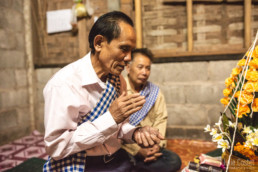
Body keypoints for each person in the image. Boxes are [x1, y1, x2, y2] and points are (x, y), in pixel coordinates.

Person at [42, 11, 164, 172]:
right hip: (83, 165)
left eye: (131, 51)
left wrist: (136, 133)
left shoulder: (117, 79)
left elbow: (119, 128)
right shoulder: (64, 84)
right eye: (124, 48)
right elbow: (57, 147)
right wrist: (111, 118)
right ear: (99, 43)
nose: (128, 58)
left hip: (117, 160)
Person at [122, 48, 182, 172]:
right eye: (140, 67)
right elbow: (115, 131)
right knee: (120, 159)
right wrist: (137, 150)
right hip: (126, 147)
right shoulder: (119, 90)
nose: (144, 72)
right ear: (128, 68)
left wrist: (156, 146)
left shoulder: (155, 92)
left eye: (148, 68)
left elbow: (161, 119)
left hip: (150, 145)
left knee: (174, 161)